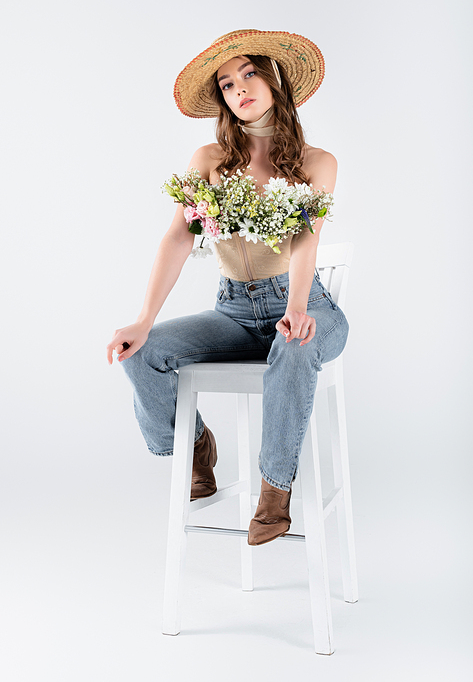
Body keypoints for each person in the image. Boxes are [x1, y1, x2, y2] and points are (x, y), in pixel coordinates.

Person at [106, 29, 349, 546]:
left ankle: (274, 492)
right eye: (227, 83)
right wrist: (144, 319)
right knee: (138, 354)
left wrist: (299, 306)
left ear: (275, 80)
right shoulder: (209, 160)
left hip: (307, 307)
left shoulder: (317, 162)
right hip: (233, 312)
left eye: (250, 73)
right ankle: (196, 447)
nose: (239, 88)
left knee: (295, 341)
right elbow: (177, 236)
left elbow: (306, 240)